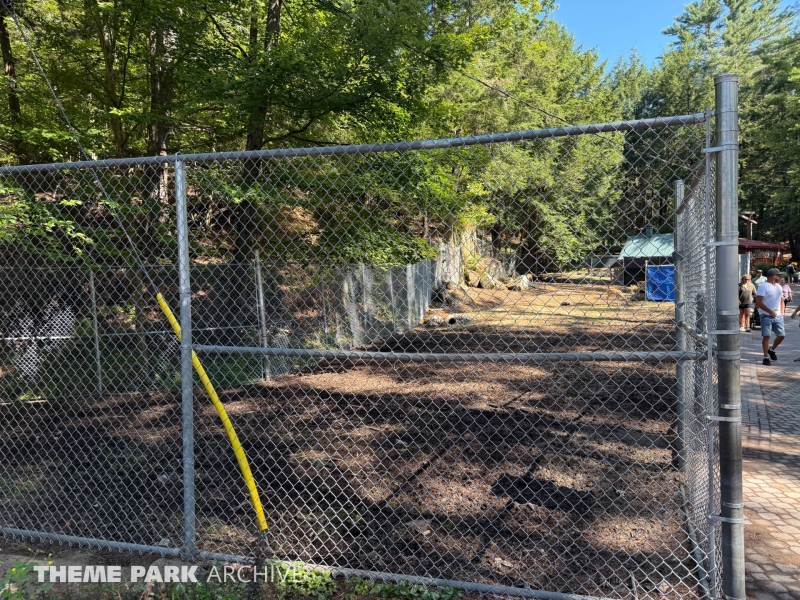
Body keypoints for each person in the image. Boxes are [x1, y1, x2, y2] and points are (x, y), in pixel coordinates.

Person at [755, 268, 786, 365]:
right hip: (765, 315)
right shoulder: (763, 286)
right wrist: (769, 311)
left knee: (781, 335)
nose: (780, 277)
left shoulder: (779, 287)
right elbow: (758, 302)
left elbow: (782, 300)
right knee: (767, 336)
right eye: (778, 275)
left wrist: (782, 312)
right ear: (773, 276)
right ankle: (765, 357)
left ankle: (771, 350)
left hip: (778, 315)